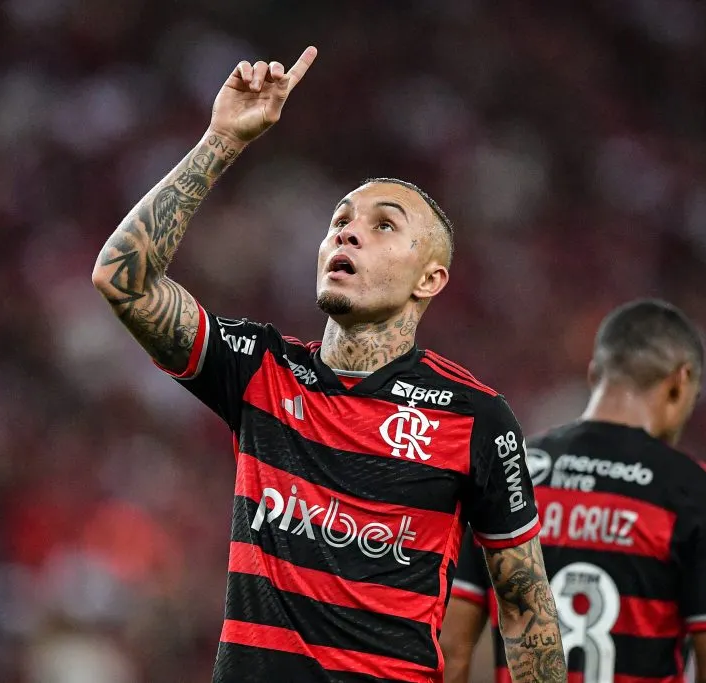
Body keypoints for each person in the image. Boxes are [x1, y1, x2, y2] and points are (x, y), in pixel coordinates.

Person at [91, 47, 566, 683]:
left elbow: (525, 606)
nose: (347, 232)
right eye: (339, 221)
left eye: (383, 225)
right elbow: (124, 281)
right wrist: (221, 139)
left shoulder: (476, 417)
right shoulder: (261, 368)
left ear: (430, 278)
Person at [441, 299, 706, 683]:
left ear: (595, 374)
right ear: (680, 383)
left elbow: (450, 648)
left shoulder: (508, 471)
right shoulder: (703, 497)